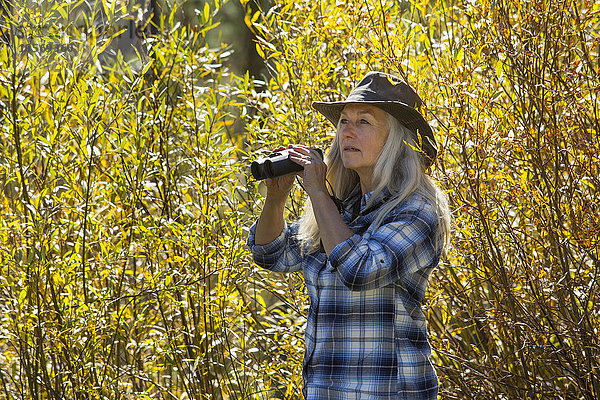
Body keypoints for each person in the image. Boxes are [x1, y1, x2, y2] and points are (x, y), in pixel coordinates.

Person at [246, 71, 451, 400]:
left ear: (396, 139)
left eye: (364, 122)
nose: (348, 132)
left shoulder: (418, 212)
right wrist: (276, 196)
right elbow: (273, 254)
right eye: (343, 121)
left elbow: (360, 269)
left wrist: (316, 192)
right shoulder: (343, 209)